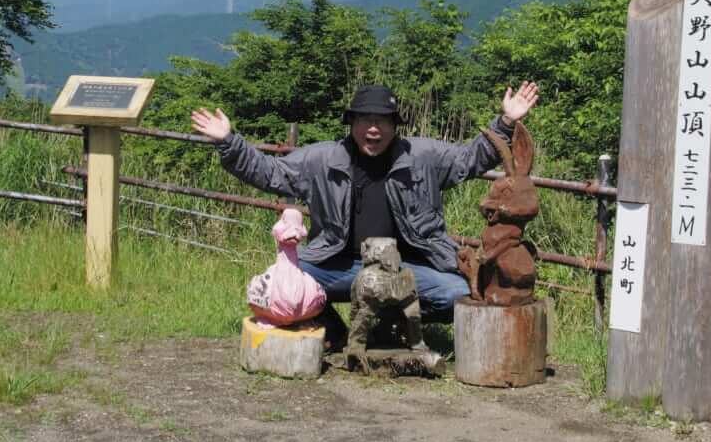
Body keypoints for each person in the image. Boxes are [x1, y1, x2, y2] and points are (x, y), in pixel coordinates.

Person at [190, 81, 539, 330]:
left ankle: (387, 323)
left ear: (394, 125)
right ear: (352, 123)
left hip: (406, 268)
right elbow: (271, 173)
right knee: (286, 283)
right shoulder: (322, 159)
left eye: (382, 121)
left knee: (457, 293)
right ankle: (333, 328)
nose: (373, 129)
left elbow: (469, 159)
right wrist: (229, 143)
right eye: (364, 121)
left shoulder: (422, 157)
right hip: (339, 266)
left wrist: (506, 122)